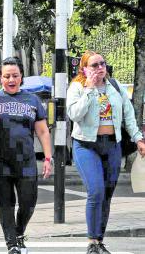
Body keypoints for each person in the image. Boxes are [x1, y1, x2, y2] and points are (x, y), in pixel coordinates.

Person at [66, 51, 145, 254]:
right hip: (86, 145)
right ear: (84, 68)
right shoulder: (77, 87)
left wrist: (138, 138)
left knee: (107, 195)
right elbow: (74, 114)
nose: (100, 67)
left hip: (112, 146)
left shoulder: (114, 86)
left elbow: (128, 114)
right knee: (96, 191)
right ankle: (92, 242)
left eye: (102, 63)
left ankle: (99, 241)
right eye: (94, 65)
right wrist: (90, 89)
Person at [0, 57, 52, 254]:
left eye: (15, 75)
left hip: (26, 161)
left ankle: (19, 232)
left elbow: (42, 131)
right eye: (6, 76)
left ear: (21, 76)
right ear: (0, 78)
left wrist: (48, 158)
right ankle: (12, 244)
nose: (11, 79)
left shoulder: (32, 100)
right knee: (6, 205)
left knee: (28, 203)